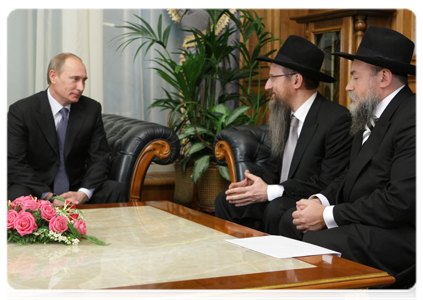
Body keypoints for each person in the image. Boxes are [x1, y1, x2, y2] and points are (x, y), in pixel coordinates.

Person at [279, 26, 419, 299]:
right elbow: (349, 176)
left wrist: (326, 216)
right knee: (289, 221)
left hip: (402, 234)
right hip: (367, 220)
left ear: (384, 77)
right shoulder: (368, 112)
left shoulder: (414, 118)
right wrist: (319, 201)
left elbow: (398, 202)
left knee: (318, 240)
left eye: (355, 77)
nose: (348, 85)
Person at [214, 35, 353, 234]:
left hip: (308, 201)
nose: (267, 86)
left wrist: (271, 191)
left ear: (296, 80)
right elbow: (274, 168)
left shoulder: (336, 119)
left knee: (276, 209)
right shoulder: (285, 114)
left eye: (273, 78)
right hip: (281, 196)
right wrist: (255, 184)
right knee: (228, 200)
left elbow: (328, 182)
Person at [6, 53, 127, 205]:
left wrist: (83, 193)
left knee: (115, 190)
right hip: (36, 187)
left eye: (84, 80)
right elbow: (14, 162)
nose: (81, 87)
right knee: (18, 195)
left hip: (75, 188)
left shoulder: (91, 109)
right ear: (53, 76)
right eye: (75, 79)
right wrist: (50, 197)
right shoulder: (22, 110)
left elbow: (99, 158)